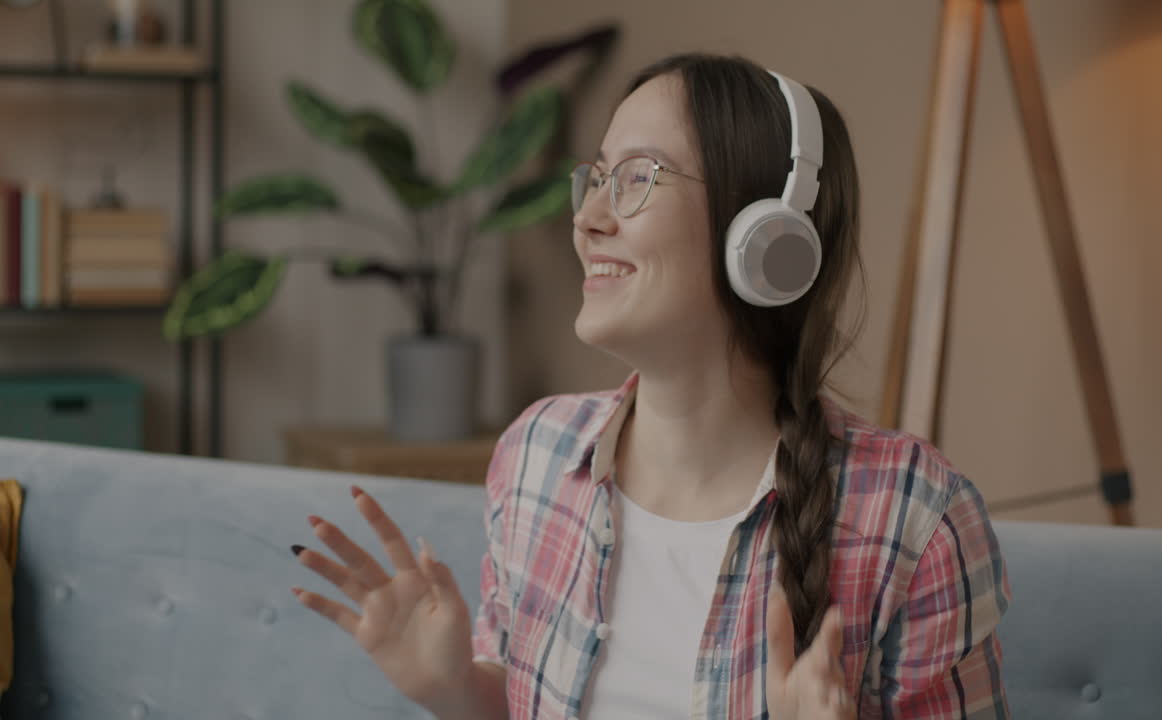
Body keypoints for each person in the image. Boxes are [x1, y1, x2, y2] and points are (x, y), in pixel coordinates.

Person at [288, 52, 1011, 720]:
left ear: (766, 235)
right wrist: (456, 690)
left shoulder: (916, 516)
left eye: (637, 178)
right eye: (597, 178)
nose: (587, 219)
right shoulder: (537, 453)